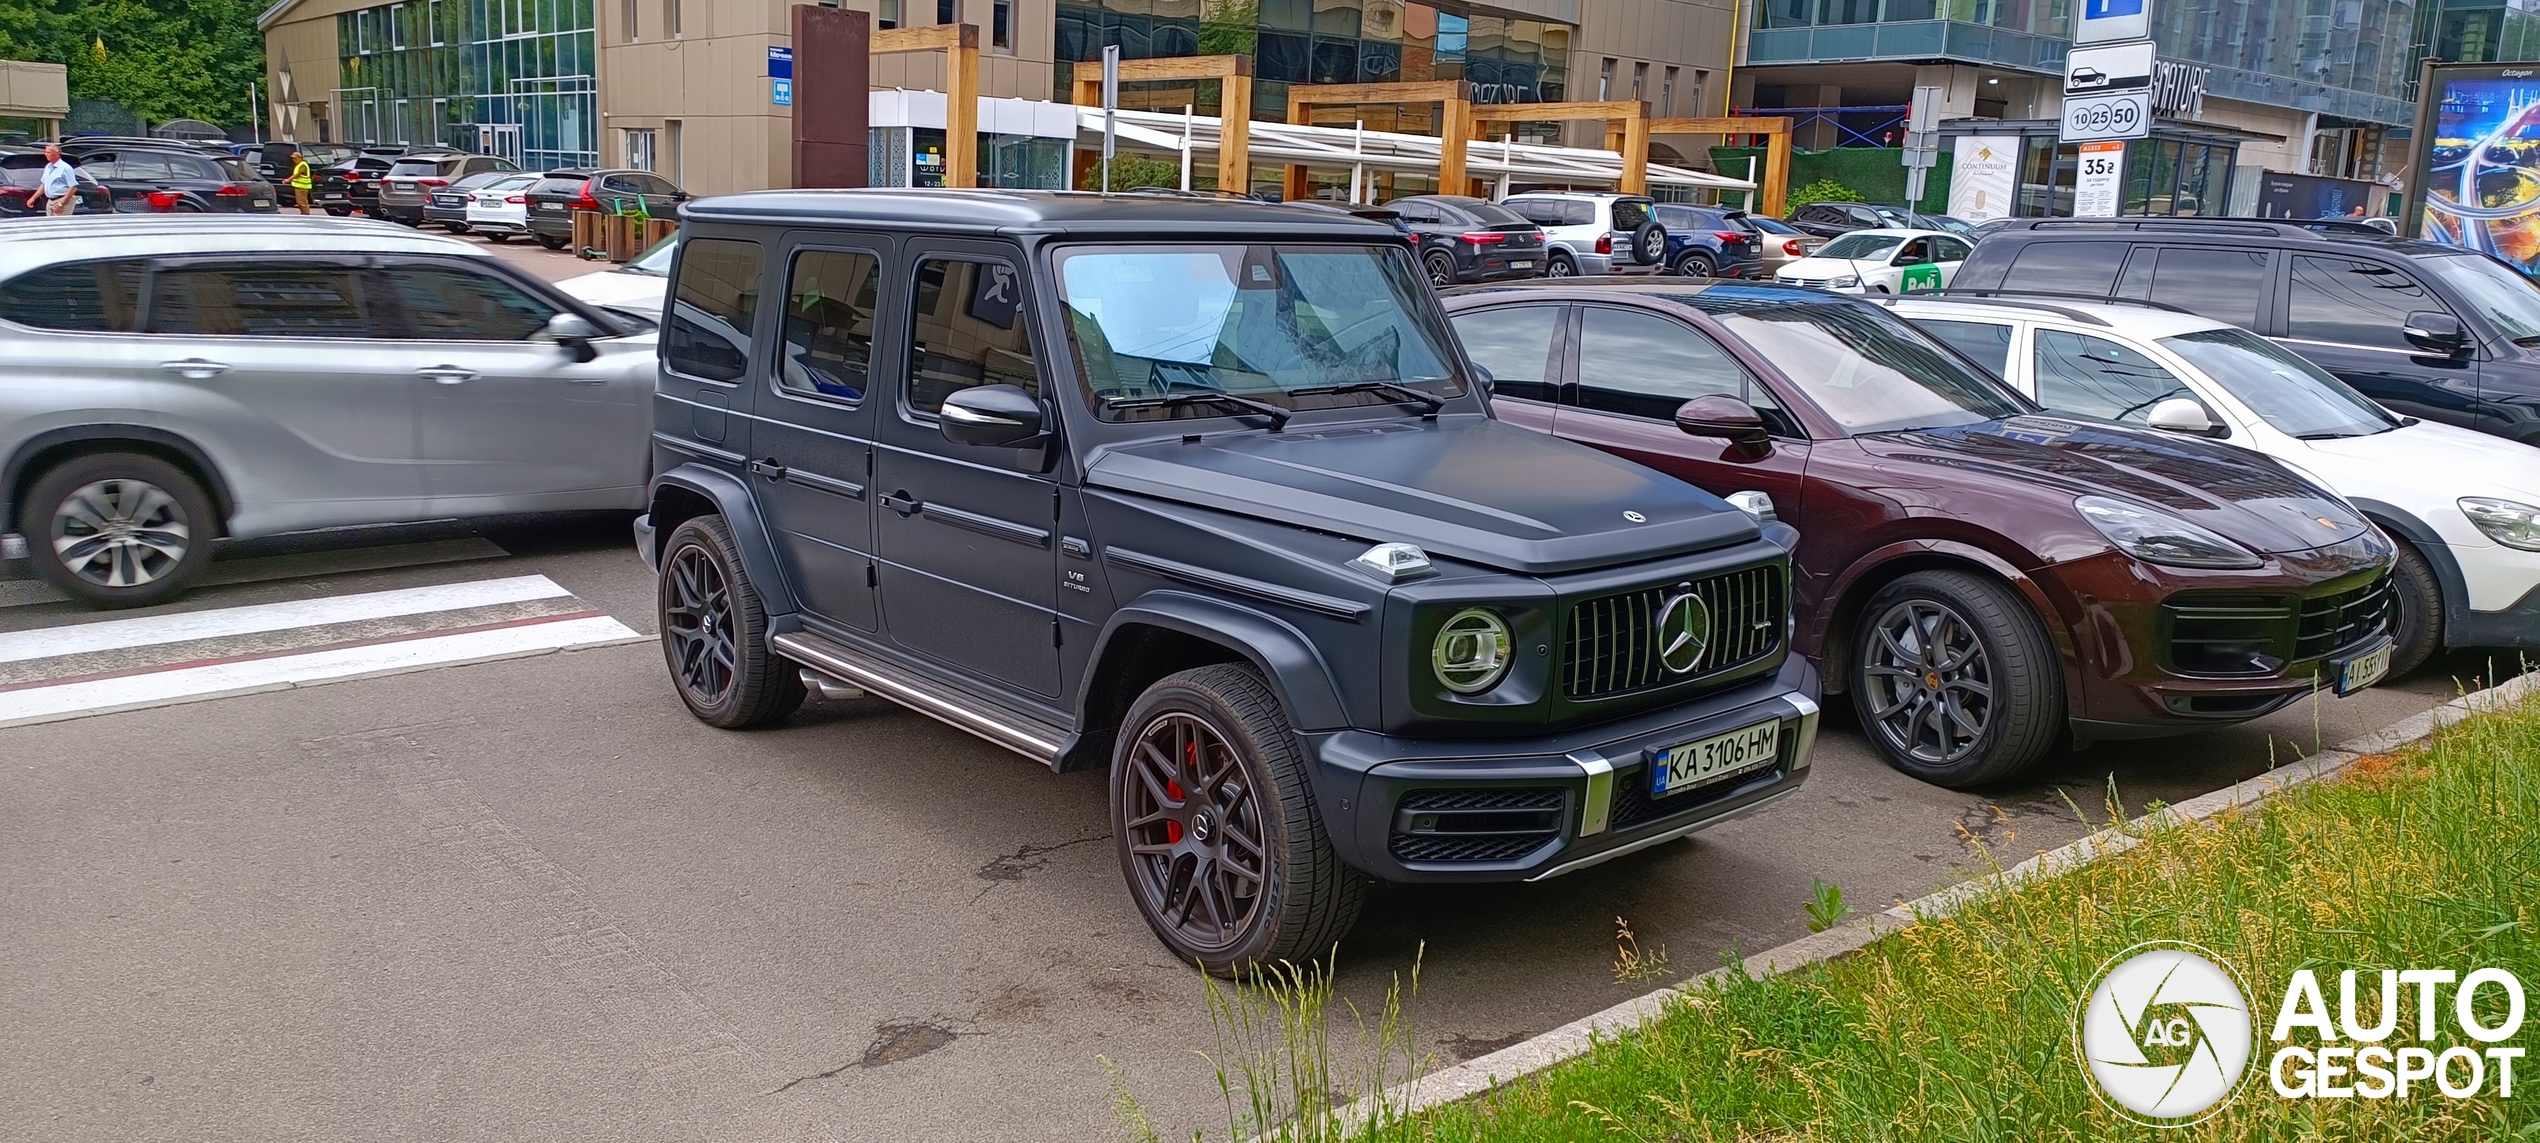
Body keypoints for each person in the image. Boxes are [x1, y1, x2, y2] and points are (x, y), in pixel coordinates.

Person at [38, 144, 77, 216]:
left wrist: (61, 203)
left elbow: (73, 187)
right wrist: (33, 198)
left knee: (60, 225)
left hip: (62, 201)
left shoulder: (66, 168)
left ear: (57, 154)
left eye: (48, 152)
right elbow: (43, 184)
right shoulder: (48, 166)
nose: (46, 154)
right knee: (50, 225)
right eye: (45, 152)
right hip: (50, 201)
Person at [287, 149, 313, 215]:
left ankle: (306, 214)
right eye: (292, 158)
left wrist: (288, 179)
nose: (293, 160)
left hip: (303, 186)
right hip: (299, 186)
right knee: (299, 201)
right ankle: (303, 213)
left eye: (295, 158)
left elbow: (297, 174)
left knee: (302, 201)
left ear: (300, 158)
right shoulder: (299, 165)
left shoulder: (303, 165)